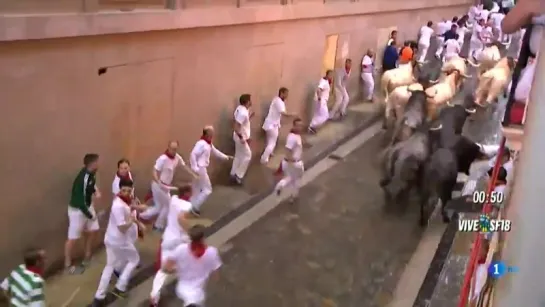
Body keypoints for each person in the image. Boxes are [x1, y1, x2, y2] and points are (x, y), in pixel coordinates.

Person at [92, 179, 144, 306]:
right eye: (123, 190)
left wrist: (135, 210)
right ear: (119, 190)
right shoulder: (117, 205)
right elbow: (122, 228)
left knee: (109, 266)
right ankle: (120, 287)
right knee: (134, 260)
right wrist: (133, 221)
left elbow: (129, 208)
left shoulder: (123, 201)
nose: (126, 193)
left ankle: (99, 297)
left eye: (128, 190)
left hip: (110, 239)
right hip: (119, 241)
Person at [150, 185, 196, 307]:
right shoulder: (187, 206)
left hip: (167, 238)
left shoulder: (174, 199)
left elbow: (175, 191)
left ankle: (154, 296)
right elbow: (182, 219)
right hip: (180, 239)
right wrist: (190, 231)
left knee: (162, 271)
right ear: (189, 193)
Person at [140, 141, 196, 231]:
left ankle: (141, 216)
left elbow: (184, 166)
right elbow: (154, 170)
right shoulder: (163, 158)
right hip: (158, 186)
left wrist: (193, 175)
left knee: (159, 206)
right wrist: (157, 180)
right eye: (172, 149)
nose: (173, 151)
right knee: (168, 205)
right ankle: (158, 225)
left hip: (167, 186)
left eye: (175, 149)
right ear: (168, 148)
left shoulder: (177, 157)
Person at [162, 225, 222, 307]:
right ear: (203, 238)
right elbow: (216, 276)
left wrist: (178, 270)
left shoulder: (181, 249)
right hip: (198, 292)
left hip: (182, 288)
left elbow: (165, 268)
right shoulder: (212, 252)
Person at [64, 153, 101, 274]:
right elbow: (80, 201)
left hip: (87, 206)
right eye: (97, 162)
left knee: (92, 230)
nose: (99, 163)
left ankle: (87, 256)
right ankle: (67, 265)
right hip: (78, 210)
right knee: (73, 238)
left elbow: (91, 184)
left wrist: (96, 191)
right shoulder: (82, 178)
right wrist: (90, 215)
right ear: (92, 164)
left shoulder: (91, 173)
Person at [189, 126, 233, 215]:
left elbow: (215, 151)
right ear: (207, 133)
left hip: (199, 168)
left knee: (196, 189)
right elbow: (193, 154)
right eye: (211, 132)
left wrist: (226, 157)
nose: (213, 133)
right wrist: (195, 167)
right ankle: (195, 207)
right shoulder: (201, 143)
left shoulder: (208, 143)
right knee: (207, 189)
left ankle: (191, 206)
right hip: (200, 168)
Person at [260, 88, 296, 164]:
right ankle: (264, 158)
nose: (287, 96)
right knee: (272, 143)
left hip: (270, 124)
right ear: (281, 93)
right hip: (272, 125)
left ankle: (269, 154)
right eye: (286, 94)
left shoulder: (277, 100)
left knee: (269, 141)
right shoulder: (278, 102)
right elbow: (284, 113)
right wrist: (293, 115)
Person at [274, 118, 304, 203]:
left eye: (300, 125)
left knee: (291, 178)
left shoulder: (296, 135)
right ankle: (292, 195)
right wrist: (292, 161)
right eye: (298, 125)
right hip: (294, 163)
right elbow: (287, 150)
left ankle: (282, 186)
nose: (300, 127)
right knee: (296, 178)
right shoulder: (292, 137)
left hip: (290, 163)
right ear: (293, 126)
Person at [230, 94, 253, 185]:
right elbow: (236, 125)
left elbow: (241, 122)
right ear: (247, 101)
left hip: (238, 136)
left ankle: (232, 174)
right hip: (240, 137)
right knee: (248, 155)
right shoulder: (243, 113)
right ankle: (238, 176)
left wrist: (249, 117)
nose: (251, 102)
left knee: (239, 156)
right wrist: (242, 137)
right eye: (250, 100)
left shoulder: (240, 109)